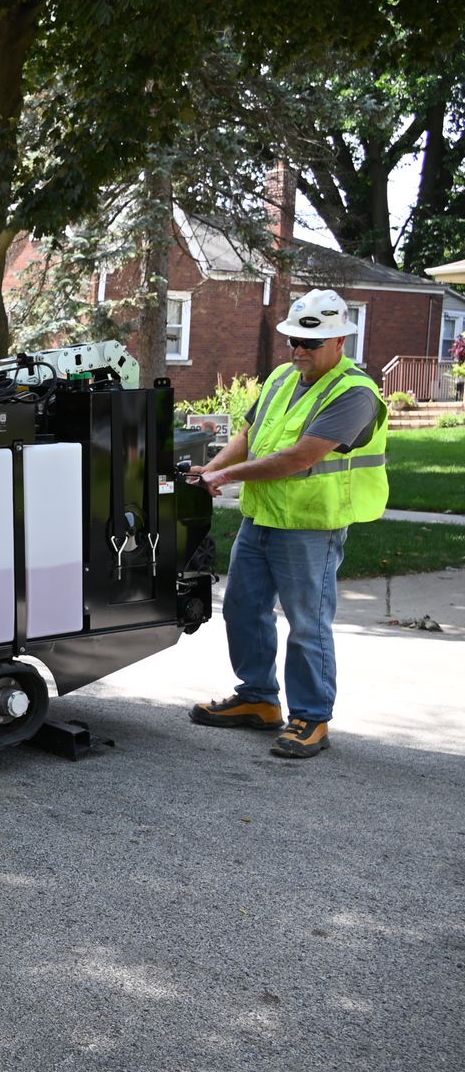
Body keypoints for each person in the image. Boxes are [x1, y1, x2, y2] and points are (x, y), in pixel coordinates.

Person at [187, 289, 389, 759]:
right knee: (242, 609)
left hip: (311, 526)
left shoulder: (355, 393)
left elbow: (299, 459)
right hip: (262, 517)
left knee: (306, 623)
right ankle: (258, 700)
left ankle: (312, 717)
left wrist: (224, 476)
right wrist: (210, 468)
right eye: (293, 341)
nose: (298, 351)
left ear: (340, 340)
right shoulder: (282, 376)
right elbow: (249, 435)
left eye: (309, 344)